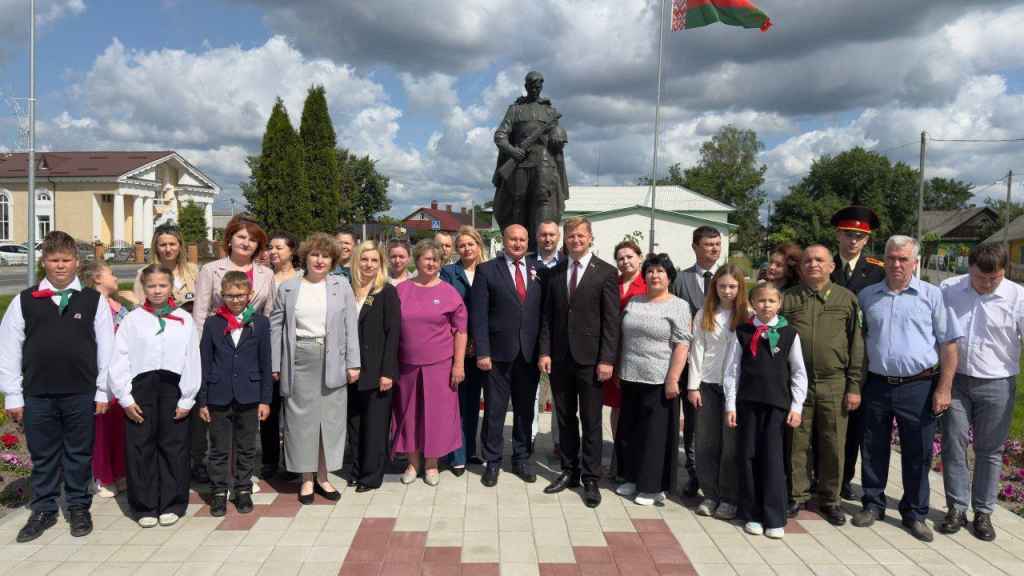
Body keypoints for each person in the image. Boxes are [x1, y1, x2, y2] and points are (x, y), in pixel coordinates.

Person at [0, 231, 114, 543]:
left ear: (77, 263)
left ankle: (78, 506)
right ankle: (43, 509)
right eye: (54, 260)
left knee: (78, 453)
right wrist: (12, 393)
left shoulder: (93, 301)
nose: (60, 266)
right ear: (44, 262)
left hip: (80, 391)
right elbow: (9, 348)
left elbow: (107, 346)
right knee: (43, 453)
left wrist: (103, 389)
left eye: (66, 260)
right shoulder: (25, 301)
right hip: (38, 393)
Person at [852, 235, 960, 542]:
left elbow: (949, 344)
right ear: (883, 260)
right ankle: (872, 503)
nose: (897, 264)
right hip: (876, 384)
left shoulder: (932, 295)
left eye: (903, 259)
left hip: (919, 386)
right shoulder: (868, 296)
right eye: (891, 258)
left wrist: (944, 388)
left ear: (915, 262)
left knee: (918, 452)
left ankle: (915, 514)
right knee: (873, 448)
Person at [938, 243, 1024, 541]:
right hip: (956, 380)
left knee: (990, 451)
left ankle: (984, 513)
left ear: (1004, 272)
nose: (987, 284)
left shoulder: (1018, 296)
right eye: (980, 278)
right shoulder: (949, 289)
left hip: (997, 383)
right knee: (952, 443)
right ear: (969, 268)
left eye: (994, 278)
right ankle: (956, 508)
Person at [109, 264, 201, 528]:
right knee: (141, 446)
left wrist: (187, 398)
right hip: (142, 388)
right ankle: (145, 505)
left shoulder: (184, 319)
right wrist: (125, 398)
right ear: (144, 288)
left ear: (171, 287)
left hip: (174, 388)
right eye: (152, 286)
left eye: (162, 285)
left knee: (174, 446)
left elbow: (192, 360)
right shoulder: (132, 319)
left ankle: (172, 502)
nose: (157, 290)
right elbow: (120, 359)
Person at [271, 233, 360, 503]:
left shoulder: (341, 286)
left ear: (332, 260)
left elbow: (350, 327)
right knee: (300, 422)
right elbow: (277, 328)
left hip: (333, 358)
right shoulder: (288, 288)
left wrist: (354, 363)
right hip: (299, 357)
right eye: (315, 255)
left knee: (330, 421)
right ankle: (306, 479)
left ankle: (323, 477)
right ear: (305, 257)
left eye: (326, 256)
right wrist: (276, 363)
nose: (320, 260)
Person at [538, 217, 619, 508]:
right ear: (565, 239)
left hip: (592, 360)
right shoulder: (555, 272)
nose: (575, 240)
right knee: (565, 418)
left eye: (580, 236)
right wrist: (544, 351)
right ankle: (569, 472)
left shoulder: (606, 273)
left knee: (592, 421)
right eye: (571, 236)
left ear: (590, 238)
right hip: (560, 359)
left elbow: (611, 322)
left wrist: (607, 358)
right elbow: (547, 317)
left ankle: (591, 478)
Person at [782, 245, 864, 526]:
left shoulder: (847, 299)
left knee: (833, 442)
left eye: (820, 260)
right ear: (800, 267)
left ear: (832, 266)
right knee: (798, 441)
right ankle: (797, 494)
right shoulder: (788, 299)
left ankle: (830, 499)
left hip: (834, 382)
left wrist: (854, 386)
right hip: (797, 384)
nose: (813, 264)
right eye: (807, 260)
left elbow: (857, 344)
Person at [192, 214, 274, 483]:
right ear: (229, 239)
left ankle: (242, 478)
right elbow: (200, 314)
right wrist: (199, 354)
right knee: (220, 429)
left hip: (249, 351)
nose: (246, 243)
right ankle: (220, 480)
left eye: (252, 240)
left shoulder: (266, 274)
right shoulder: (210, 270)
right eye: (241, 237)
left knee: (246, 430)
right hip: (219, 350)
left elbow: (269, 315)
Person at [724, 283, 808, 539]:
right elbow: (732, 370)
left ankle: (774, 516)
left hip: (777, 408)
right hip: (748, 405)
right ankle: (752, 513)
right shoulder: (742, 332)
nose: (766, 305)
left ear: (779, 303)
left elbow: (799, 373)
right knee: (748, 457)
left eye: (771, 301)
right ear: (752, 303)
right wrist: (730, 404)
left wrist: (796, 406)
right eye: (761, 301)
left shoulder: (789, 334)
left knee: (773, 460)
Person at [614, 254, 690, 506]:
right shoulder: (635, 301)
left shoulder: (678, 305)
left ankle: (652, 487)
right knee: (631, 432)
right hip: (630, 376)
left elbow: (682, 344)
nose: (654, 276)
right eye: (650, 271)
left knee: (655, 437)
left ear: (669, 276)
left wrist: (673, 378)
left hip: (659, 380)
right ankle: (632, 478)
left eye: (660, 271)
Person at [472, 224, 544, 487]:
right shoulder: (487, 270)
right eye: (512, 239)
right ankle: (492, 461)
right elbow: (478, 315)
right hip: (497, 355)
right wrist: (482, 351)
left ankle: (521, 458)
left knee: (525, 410)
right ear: (503, 241)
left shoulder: (539, 270)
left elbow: (544, 315)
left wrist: (543, 351)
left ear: (528, 242)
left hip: (528, 354)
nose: (517, 243)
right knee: (494, 410)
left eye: (522, 239)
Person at [393, 240, 468, 486]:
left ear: (440, 263)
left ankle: (432, 464)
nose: (431, 263)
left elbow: (461, 330)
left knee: (436, 415)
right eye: (426, 258)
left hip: (440, 366)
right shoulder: (401, 290)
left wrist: (458, 365)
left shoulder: (449, 292)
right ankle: (413, 463)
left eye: (435, 260)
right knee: (409, 415)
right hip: (407, 365)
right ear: (417, 260)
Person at [198, 271, 272, 516]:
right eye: (230, 295)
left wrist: (265, 399)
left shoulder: (260, 323)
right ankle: (219, 491)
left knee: (246, 446)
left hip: (249, 395)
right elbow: (205, 362)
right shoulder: (213, 323)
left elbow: (265, 362)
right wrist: (203, 400)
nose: (236, 300)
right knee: (218, 447)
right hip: (218, 395)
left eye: (241, 295)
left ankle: (243, 489)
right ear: (222, 295)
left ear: (249, 294)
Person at [829, 206, 885, 500]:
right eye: (849, 234)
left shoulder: (878, 269)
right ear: (838, 234)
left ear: (867, 240)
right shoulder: (824, 265)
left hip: (862, 357)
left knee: (855, 424)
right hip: (828, 352)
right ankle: (820, 477)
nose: (854, 241)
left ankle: (844, 479)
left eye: (860, 236)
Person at [688, 264, 749, 520]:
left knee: (730, 447)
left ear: (740, 288)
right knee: (705, 443)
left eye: (732, 286)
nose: (727, 291)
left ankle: (729, 497)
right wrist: (693, 385)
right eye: (722, 286)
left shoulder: (748, 315)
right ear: (715, 287)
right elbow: (697, 350)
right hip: (708, 385)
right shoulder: (706, 312)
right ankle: (710, 494)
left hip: (735, 389)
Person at [670, 225, 723, 497]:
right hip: (685, 362)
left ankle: (713, 474)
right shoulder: (682, 279)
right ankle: (693, 474)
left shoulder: (727, 279)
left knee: (710, 423)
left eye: (717, 244)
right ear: (695, 247)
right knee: (689, 423)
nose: (714, 249)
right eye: (708, 244)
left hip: (716, 365)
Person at [491, 71, 569, 250]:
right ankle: (518, 247)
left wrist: (559, 135)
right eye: (532, 85)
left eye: (538, 85)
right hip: (520, 163)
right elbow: (500, 135)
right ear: (525, 86)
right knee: (517, 203)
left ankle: (540, 248)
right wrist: (512, 150)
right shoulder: (515, 110)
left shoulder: (549, 111)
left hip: (544, 163)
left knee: (543, 202)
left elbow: (558, 134)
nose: (535, 88)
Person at [349, 241, 401, 492]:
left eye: (374, 261)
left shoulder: (386, 292)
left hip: (378, 371)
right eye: (364, 259)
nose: (369, 265)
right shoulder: (346, 290)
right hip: (350, 371)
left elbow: (394, 334)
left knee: (375, 427)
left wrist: (388, 372)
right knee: (355, 425)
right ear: (356, 261)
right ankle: (356, 470)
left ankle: (371, 476)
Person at [79, 261, 130, 499]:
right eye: (111, 273)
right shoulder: (87, 304)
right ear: (97, 278)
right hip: (97, 374)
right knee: (100, 426)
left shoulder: (119, 306)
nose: (116, 277)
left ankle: (119, 472)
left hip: (121, 373)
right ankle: (102, 476)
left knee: (118, 425)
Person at [440, 226, 488, 475]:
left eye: (471, 244)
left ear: (479, 245)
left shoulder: (489, 270)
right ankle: (456, 455)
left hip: (483, 347)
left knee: (473, 403)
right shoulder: (449, 273)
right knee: (457, 402)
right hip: (456, 346)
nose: (467, 248)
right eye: (462, 245)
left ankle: (470, 450)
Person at [605, 240, 646, 477]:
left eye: (629, 256)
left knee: (636, 408)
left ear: (639, 257)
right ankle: (618, 457)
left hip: (638, 354)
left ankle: (636, 459)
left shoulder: (648, 283)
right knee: (617, 407)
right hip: (614, 352)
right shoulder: (613, 282)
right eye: (620, 258)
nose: (625, 261)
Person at [532, 220, 561, 455]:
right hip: (530, 337)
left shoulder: (568, 263)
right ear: (537, 236)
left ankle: (559, 443)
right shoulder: (527, 262)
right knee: (529, 394)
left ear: (558, 236)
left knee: (560, 395)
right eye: (543, 235)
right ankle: (529, 437)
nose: (548, 239)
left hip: (560, 338)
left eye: (552, 234)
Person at [130, 223, 199, 311]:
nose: (168, 249)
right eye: (163, 245)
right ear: (156, 247)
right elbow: (140, 308)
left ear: (180, 246)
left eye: (172, 244)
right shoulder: (144, 273)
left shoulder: (193, 271)